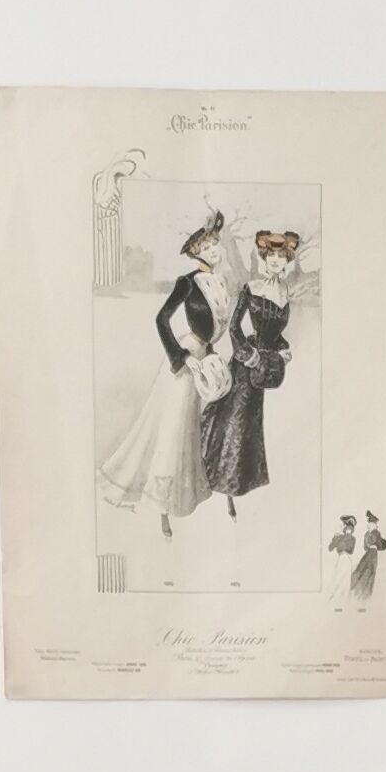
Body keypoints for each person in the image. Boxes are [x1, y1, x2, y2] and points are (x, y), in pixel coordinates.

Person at [99, 212, 237, 537]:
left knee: (200, 429)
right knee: (172, 431)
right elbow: (161, 320)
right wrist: (181, 356)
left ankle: (196, 494)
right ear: (195, 252)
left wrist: (213, 358)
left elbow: (217, 326)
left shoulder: (221, 282)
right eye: (206, 245)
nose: (214, 249)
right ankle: (161, 508)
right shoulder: (187, 282)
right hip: (186, 363)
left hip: (208, 359)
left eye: (216, 243)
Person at [201, 229, 300, 514]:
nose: (276, 261)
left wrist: (284, 349)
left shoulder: (285, 292)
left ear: (287, 260)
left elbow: (276, 334)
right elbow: (234, 329)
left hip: (266, 370)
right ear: (264, 257)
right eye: (272, 256)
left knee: (250, 429)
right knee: (231, 422)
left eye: (282, 257)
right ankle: (218, 485)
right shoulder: (251, 287)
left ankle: (237, 486)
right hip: (246, 367)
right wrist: (250, 356)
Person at [349, 511, 386, 604]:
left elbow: (379, 544)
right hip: (368, 554)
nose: (369, 526)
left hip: (373, 555)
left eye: (371, 524)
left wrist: (373, 533)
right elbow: (366, 546)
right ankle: (358, 595)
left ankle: (363, 598)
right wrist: (370, 534)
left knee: (368, 574)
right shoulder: (369, 533)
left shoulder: (375, 533)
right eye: (369, 524)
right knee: (358, 573)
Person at [326, 508, 359, 608]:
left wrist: (341, 539)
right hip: (340, 560)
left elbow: (350, 550)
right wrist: (335, 537)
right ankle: (335, 604)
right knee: (337, 582)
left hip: (346, 559)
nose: (343, 527)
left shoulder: (352, 538)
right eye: (344, 526)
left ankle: (344, 605)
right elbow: (330, 548)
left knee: (345, 584)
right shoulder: (339, 536)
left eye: (345, 526)